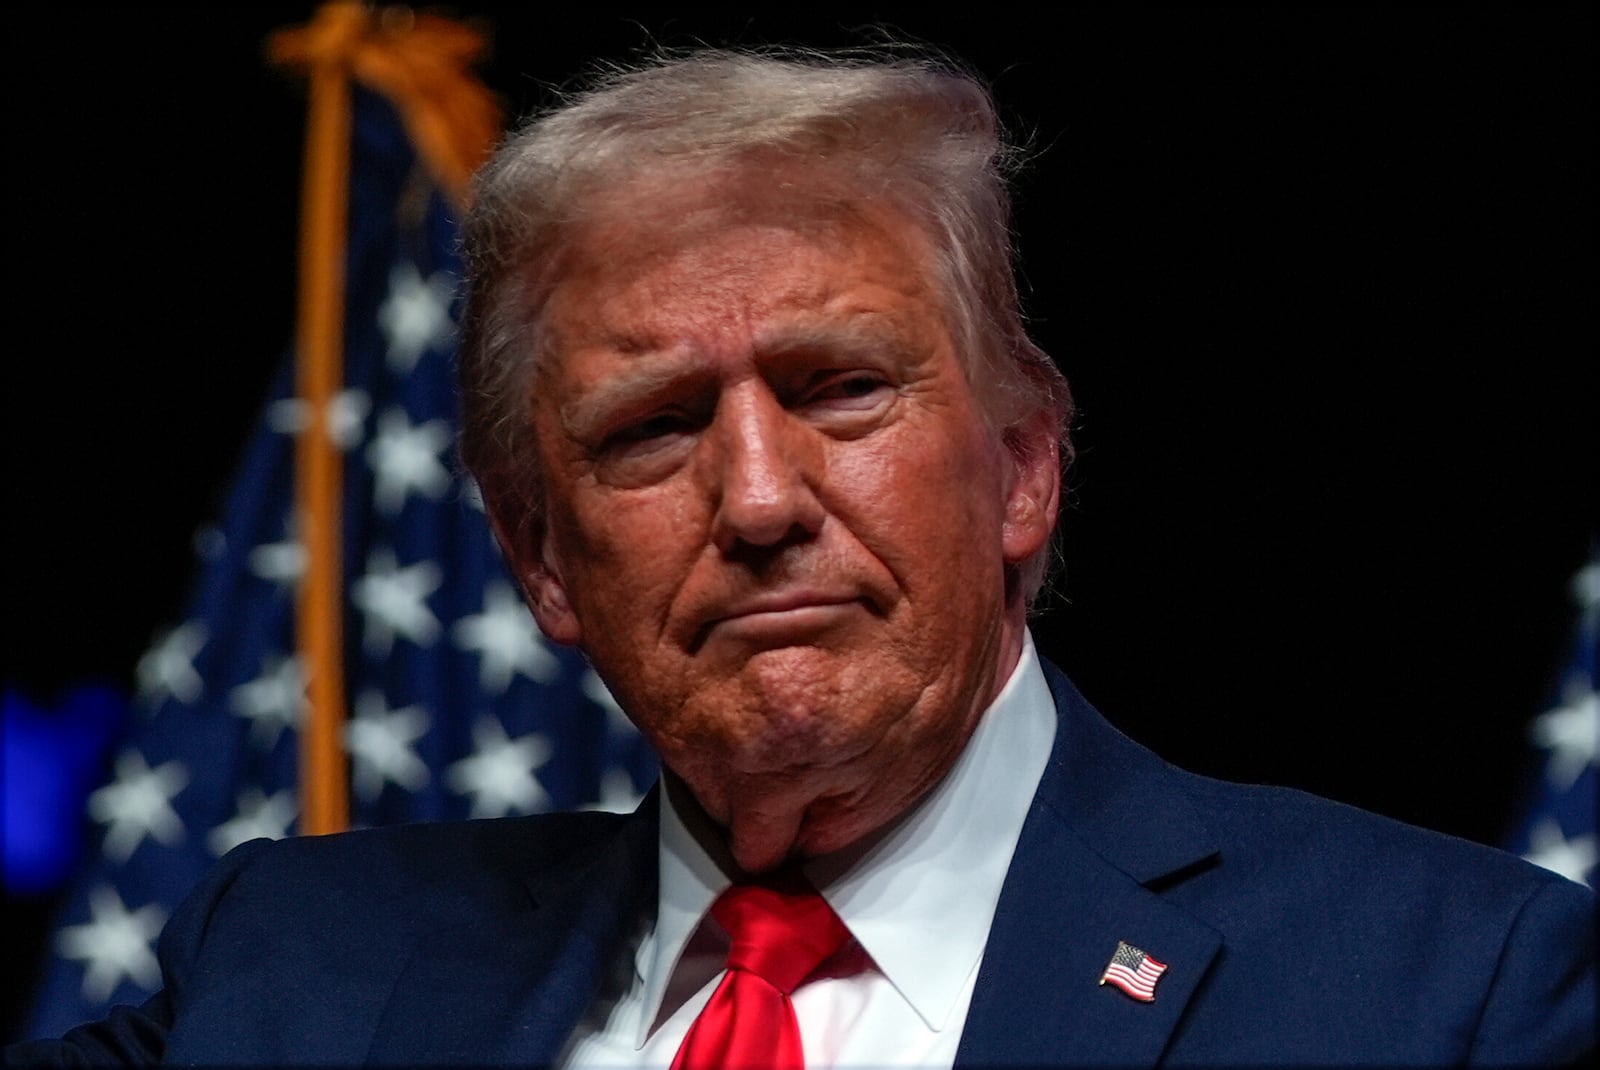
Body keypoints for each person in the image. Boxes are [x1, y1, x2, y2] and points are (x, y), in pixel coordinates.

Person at [11, 46, 1594, 1068]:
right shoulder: (286, 973)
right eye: (651, 426)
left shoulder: (1449, 991)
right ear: (540, 556)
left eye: (842, 389)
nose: (759, 497)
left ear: (1023, 466)